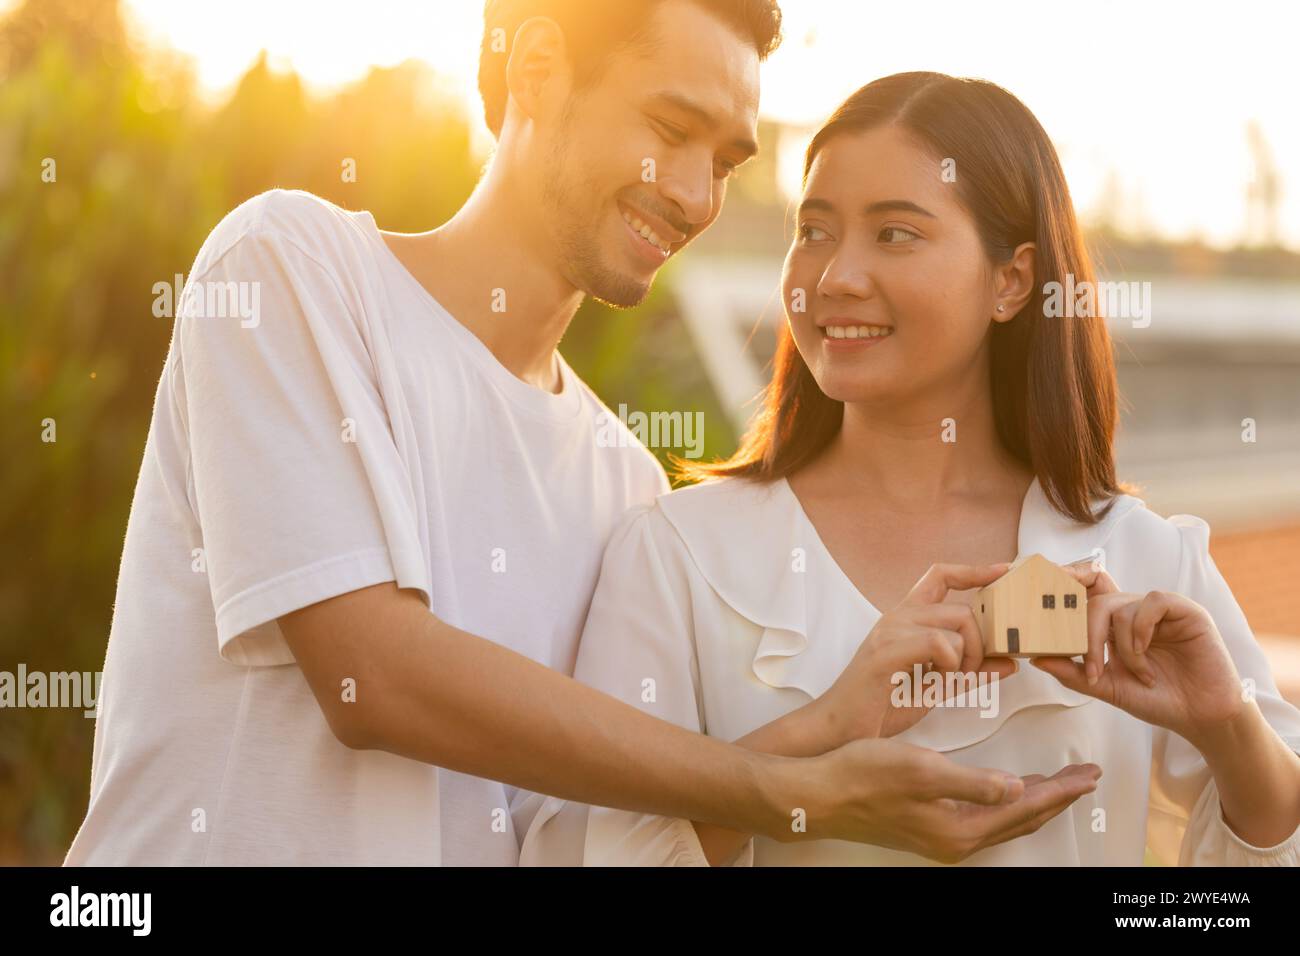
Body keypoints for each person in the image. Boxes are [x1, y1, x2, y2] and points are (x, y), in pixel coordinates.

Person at [65, 5, 1098, 866]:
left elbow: (581, 831)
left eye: (726, 160)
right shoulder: (289, 269)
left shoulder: (625, 486)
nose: (695, 193)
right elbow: (369, 677)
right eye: (669, 124)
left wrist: (829, 729)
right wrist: (787, 790)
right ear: (538, 62)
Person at [521, 72, 1300, 866]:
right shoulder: (679, 556)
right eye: (815, 230)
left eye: (895, 234)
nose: (835, 277)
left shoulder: (1144, 562)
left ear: (1011, 281)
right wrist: (829, 731)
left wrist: (1227, 725)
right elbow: (587, 854)